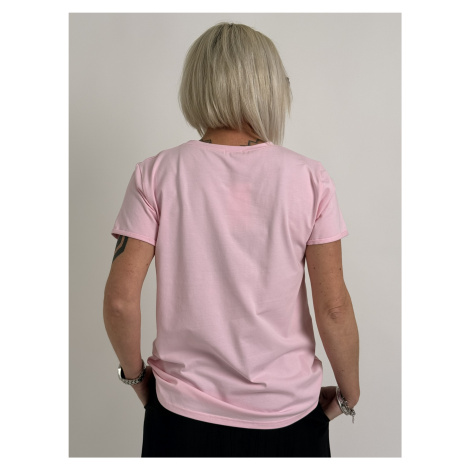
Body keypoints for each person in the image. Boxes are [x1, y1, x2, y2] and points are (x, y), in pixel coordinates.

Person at [103, 22, 360, 458]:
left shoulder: (156, 174)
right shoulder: (309, 178)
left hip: (180, 416)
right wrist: (348, 394)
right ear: (269, 87)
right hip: (288, 418)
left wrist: (137, 378)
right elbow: (333, 308)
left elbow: (120, 301)